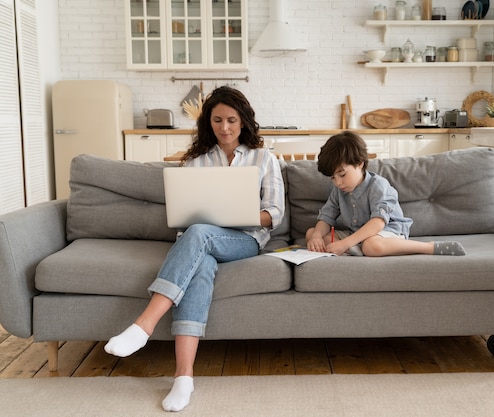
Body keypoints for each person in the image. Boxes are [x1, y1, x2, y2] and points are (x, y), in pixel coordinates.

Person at [104, 86, 285, 412]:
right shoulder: (196, 163)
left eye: (232, 120)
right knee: (199, 265)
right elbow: (183, 219)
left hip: (245, 239)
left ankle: (143, 326)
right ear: (209, 122)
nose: (225, 127)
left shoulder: (264, 158)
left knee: (200, 233)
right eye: (217, 120)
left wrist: (231, 216)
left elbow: (273, 214)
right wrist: (205, 220)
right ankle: (183, 378)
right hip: (199, 239)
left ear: (243, 121)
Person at [305, 131, 465, 257]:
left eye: (342, 175)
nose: (338, 182)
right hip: (357, 233)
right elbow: (326, 217)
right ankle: (356, 247)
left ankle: (429, 247)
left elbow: (378, 223)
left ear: (360, 164)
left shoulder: (378, 186)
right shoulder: (339, 190)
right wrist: (317, 236)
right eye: (333, 178)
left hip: (388, 231)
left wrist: (346, 243)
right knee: (312, 235)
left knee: (371, 245)